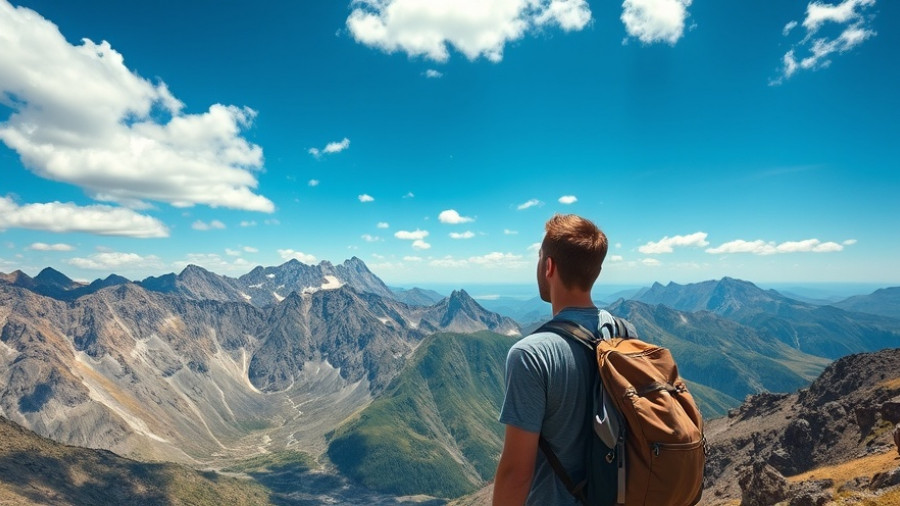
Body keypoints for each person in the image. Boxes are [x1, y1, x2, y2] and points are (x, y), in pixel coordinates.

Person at [493, 213, 610, 506]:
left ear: (549, 266)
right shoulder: (623, 332)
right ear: (596, 271)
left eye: (539, 257)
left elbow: (516, 474)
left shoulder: (531, 355)